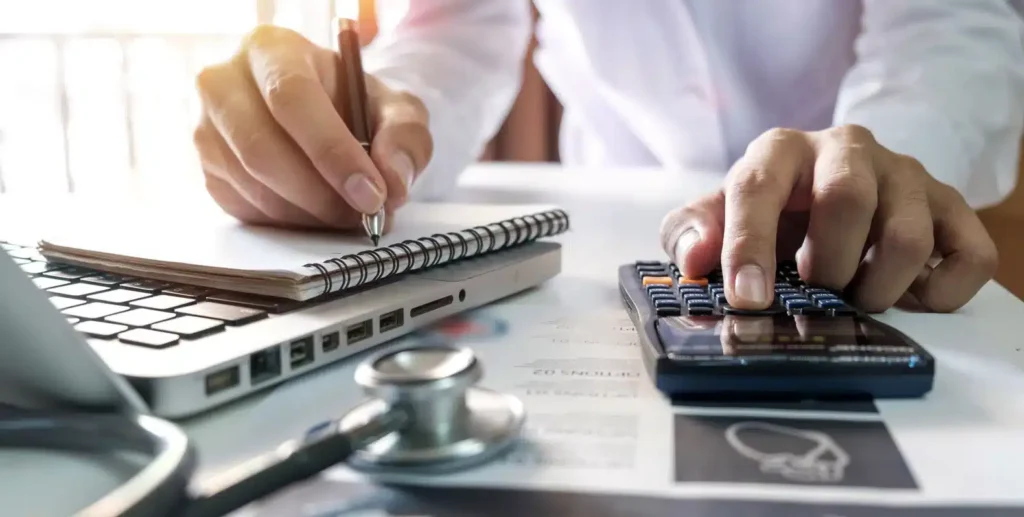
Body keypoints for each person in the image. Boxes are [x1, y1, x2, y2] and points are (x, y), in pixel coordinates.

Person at [191, 0, 1024, 313]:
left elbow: (948, 23)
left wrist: (885, 160)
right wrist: (371, 122)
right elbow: (457, 25)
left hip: (858, 232)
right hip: (610, 216)